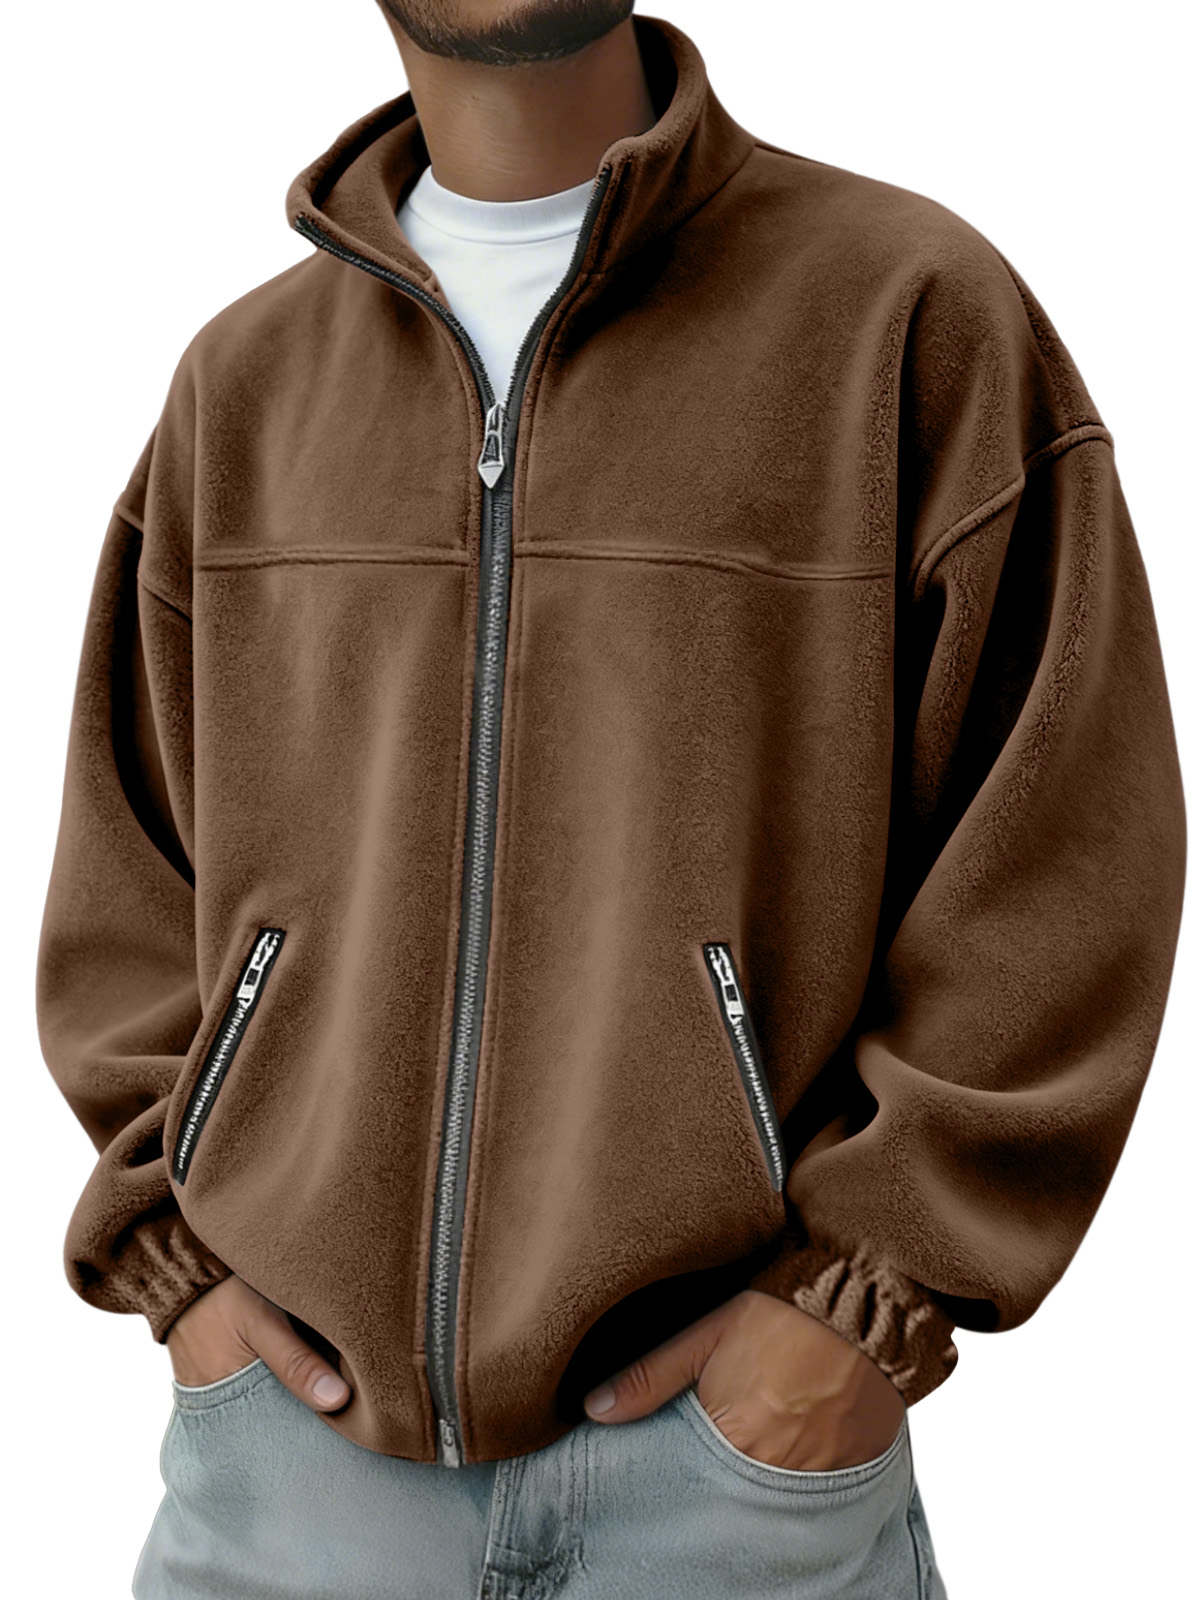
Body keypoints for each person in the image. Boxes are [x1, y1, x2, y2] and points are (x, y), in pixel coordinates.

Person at [35, 3, 1186, 1597]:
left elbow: (1058, 837)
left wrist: (862, 1303)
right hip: (290, 1476)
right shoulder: (246, 383)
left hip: (729, 1486)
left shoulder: (904, 315)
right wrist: (184, 1275)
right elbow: (131, 865)